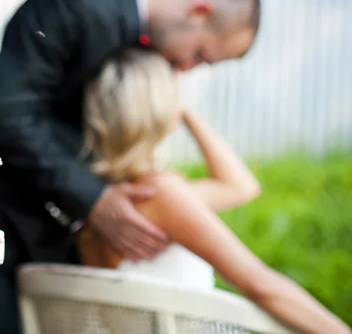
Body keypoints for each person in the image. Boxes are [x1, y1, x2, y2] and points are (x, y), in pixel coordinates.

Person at [0, 0, 262, 334]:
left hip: (75, 253)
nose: (185, 68)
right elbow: (6, 115)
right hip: (1, 228)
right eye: (199, 55)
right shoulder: (71, 0)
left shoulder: (153, 42)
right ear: (199, 11)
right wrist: (94, 199)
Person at [77, 50, 350, 334]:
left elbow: (240, 187)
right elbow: (260, 285)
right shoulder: (161, 195)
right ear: (162, 110)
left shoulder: (96, 197)